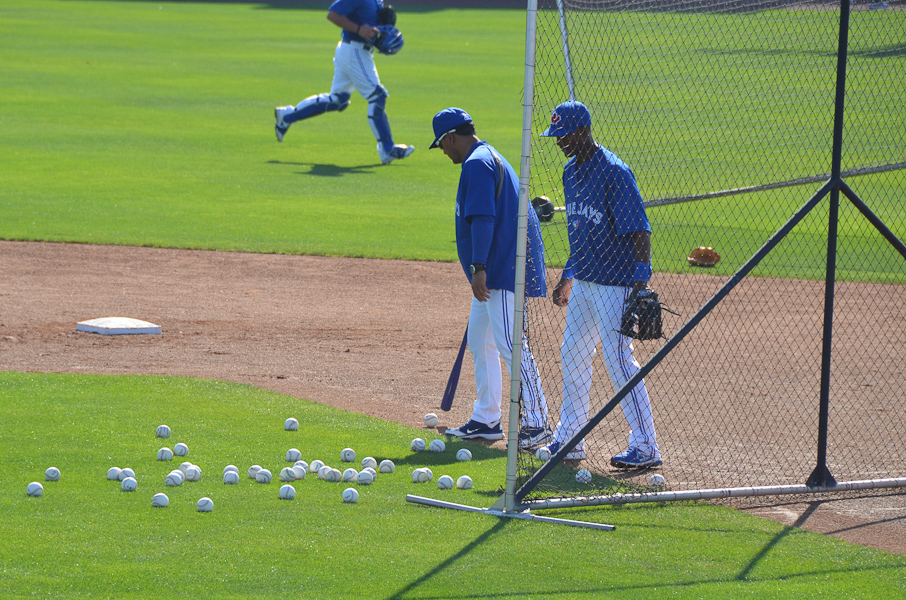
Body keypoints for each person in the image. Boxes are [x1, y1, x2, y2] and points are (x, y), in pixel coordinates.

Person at [539, 100, 662, 468]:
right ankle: (570, 438)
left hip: (617, 284)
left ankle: (646, 446)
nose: (559, 142)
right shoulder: (570, 172)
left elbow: (640, 231)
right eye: (555, 136)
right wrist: (568, 274)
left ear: (582, 132)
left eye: (563, 135)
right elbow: (582, 231)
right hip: (586, 282)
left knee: (618, 359)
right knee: (572, 354)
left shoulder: (615, 173)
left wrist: (640, 284)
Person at [430, 107, 551, 448]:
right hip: (496, 269)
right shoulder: (488, 155)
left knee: (512, 347)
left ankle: (538, 422)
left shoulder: (477, 164)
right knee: (481, 341)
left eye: (441, 144)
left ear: (451, 137)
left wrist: (478, 267)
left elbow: (483, 218)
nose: (442, 151)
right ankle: (486, 419)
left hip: (498, 272)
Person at [273, 0, 414, 165]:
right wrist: (359, 29)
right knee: (377, 96)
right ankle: (387, 150)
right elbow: (332, 14)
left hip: (355, 52)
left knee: (337, 100)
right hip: (354, 52)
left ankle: (287, 115)